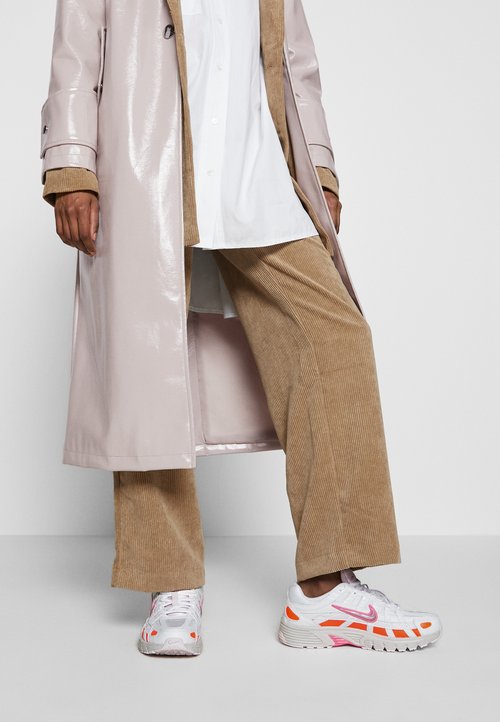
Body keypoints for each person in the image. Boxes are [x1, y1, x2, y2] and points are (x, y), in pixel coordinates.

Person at [40, 0, 442, 657]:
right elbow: (76, 55)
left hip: (258, 174)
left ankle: (327, 590)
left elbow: (297, 63)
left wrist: (317, 165)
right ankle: (170, 583)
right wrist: (70, 166)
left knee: (335, 340)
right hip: (148, 169)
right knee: (148, 375)